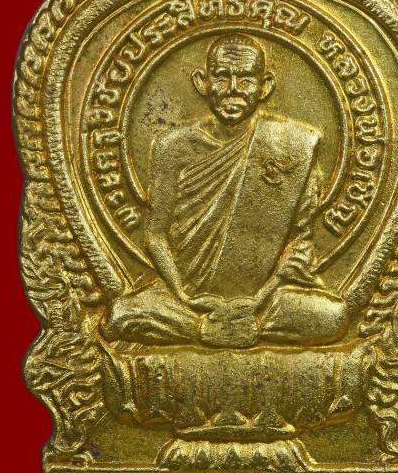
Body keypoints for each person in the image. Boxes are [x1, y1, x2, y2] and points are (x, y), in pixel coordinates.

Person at [102, 33, 348, 348]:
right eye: (221, 77)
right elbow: (155, 235)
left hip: (264, 299)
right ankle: (206, 328)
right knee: (120, 315)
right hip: (185, 297)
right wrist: (184, 295)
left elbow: (299, 244)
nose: (232, 89)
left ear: (264, 86)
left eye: (245, 80)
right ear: (202, 83)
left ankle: (226, 327)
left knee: (334, 316)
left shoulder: (294, 146)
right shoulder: (172, 147)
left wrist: (259, 299)